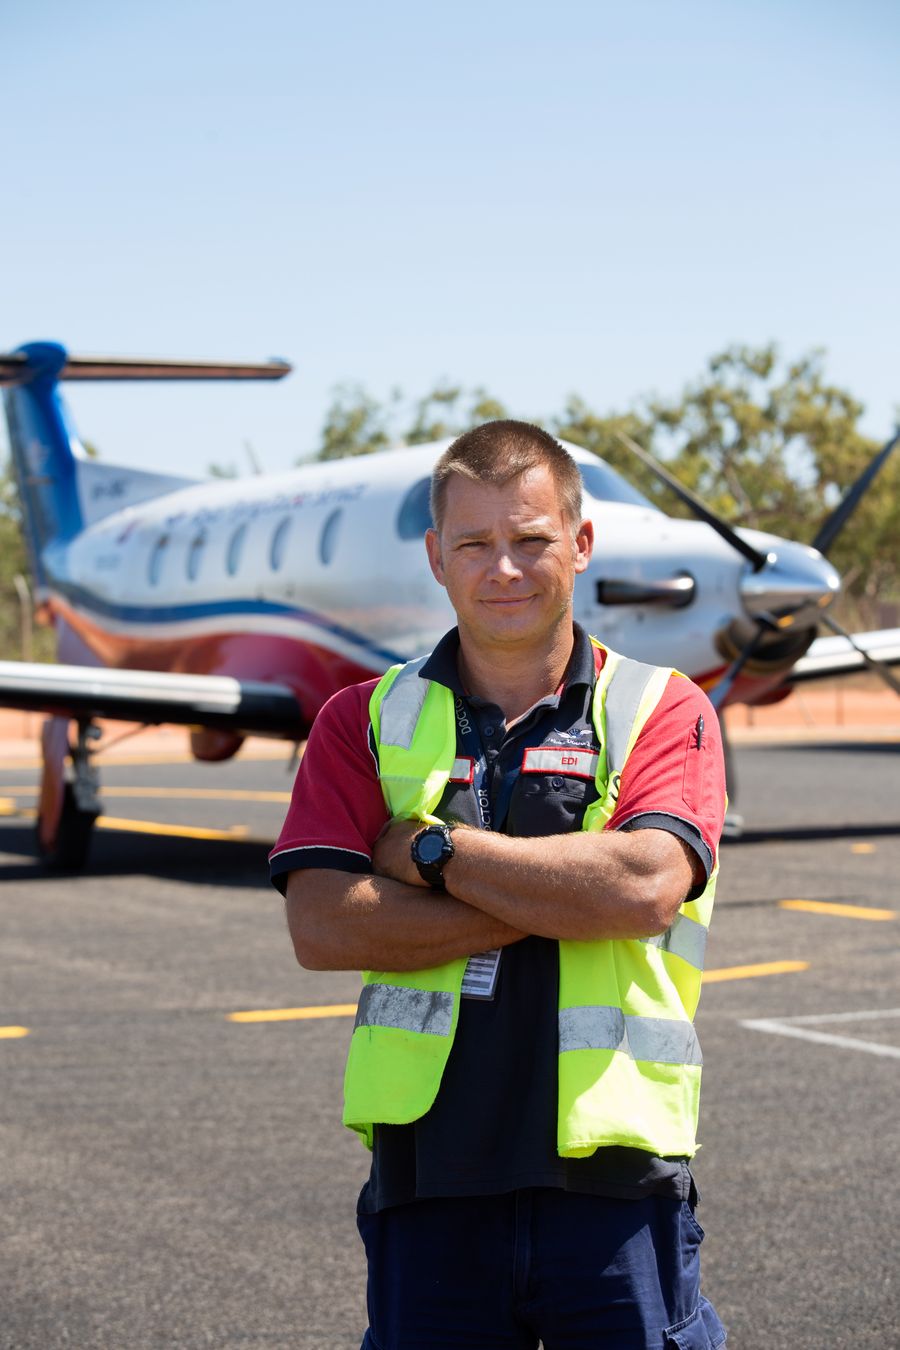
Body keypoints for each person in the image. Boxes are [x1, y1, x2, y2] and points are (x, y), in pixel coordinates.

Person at [270, 420, 727, 1349]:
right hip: (430, 1182)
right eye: (475, 544)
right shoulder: (359, 720)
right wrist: (561, 897)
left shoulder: (662, 707)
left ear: (582, 544)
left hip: (614, 1186)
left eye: (532, 540)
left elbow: (641, 887)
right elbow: (323, 927)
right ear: (438, 557)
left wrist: (432, 856)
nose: (504, 569)